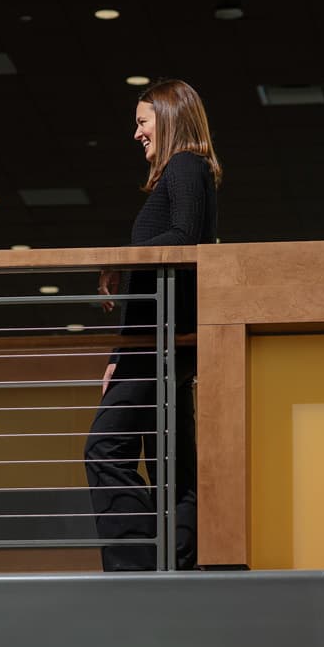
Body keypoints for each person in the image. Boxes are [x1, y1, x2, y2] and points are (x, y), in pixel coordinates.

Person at [86, 79, 221, 570]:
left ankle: (137, 571)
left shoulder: (185, 165)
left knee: (105, 448)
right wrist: (118, 356)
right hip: (159, 339)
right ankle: (177, 565)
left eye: (142, 121)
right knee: (173, 461)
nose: (136, 133)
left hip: (163, 341)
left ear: (169, 117)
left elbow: (182, 237)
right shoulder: (183, 172)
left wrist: (122, 259)